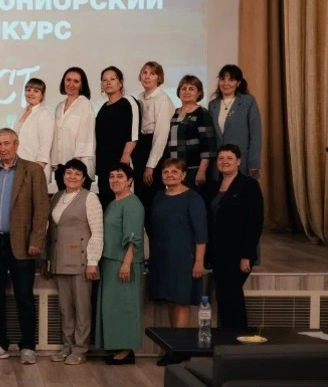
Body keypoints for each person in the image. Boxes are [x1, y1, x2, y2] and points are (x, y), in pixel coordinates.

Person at [0, 128, 49, 365]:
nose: (3, 148)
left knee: (24, 297)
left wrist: (36, 241)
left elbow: (41, 210)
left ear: (16, 144)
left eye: (7, 143)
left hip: (23, 245)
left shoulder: (33, 171)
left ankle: (28, 346)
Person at [44, 159, 103, 365]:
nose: (72, 177)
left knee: (82, 309)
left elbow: (97, 232)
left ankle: (80, 349)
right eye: (69, 173)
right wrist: (47, 259)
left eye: (77, 174)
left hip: (81, 262)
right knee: (65, 309)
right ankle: (67, 346)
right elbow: (51, 231)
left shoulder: (90, 198)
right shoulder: (57, 197)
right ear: (63, 176)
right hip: (59, 261)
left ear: (84, 178)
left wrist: (93, 261)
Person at [207, 144, 263, 329]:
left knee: (233, 296)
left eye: (229, 158)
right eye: (221, 158)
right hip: (219, 252)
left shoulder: (249, 185)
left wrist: (247, 254)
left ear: (238, 161)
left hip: (239, 253)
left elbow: (255, 222)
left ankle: (238, 337)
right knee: (223, 297)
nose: (225, 162)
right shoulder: (214, 186)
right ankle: (226, 338)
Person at [149, 159, 207, 332]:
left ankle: (178, 344)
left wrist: (199, 261)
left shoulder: (193, 198)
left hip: (184, 258)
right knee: (170, 300)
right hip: (162, 257)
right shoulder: (159, 197)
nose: (170, 175)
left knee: (182, 301)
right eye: (166, 172)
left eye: (174, 172)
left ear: (183, 175)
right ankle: (172, 342)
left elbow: (201, 233)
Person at [95, 162, 144, 365]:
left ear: (130, 180)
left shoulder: (132, 204)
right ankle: (117, 346)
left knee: (125, 306)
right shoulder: (113, 203)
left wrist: (126, 263)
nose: (115, 180)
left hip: (123, 262)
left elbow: (133, 237)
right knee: (112, 307)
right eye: (112, 176)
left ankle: (126, 350)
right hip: (109, 261)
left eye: (120, 176)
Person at [134, 61, 175, 229]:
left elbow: (161, 134)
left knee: (153, 198)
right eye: (144, 72)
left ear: (159, 78)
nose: (147, 76)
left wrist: (151, 165)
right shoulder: (139, 98)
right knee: (141, 197)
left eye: (152, 73)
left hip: (155, 149)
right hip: (141, 145)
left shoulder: (162, 99)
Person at [94, 66, 140, 208]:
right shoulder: (103, 107)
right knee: (107, 205)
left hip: (121, 163)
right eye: (104, 80)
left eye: (112, 79)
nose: (108, 82)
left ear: (120, 82)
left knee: (123, 203)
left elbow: (133, 133)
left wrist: (125, 158)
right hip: (104, 167)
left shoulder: (128, 102)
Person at [207, 65, 262, 179]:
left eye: (231, 80)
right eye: (222, 79)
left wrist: (254, 163)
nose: (225, 83)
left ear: (238, 83)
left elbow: (255, 134)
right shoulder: (213, 105)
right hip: (219, 163)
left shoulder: (248, 101)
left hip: (241, 161)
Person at [166, 75, 217, 194]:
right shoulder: (174, 113)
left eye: (191, 89)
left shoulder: (202, 113)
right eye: (183, 88)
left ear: (199, 93)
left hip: (193, 170)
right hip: (174, 170)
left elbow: (208, 146)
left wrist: (201, 171)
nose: (187, 92)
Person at [50, 67, 95, 191]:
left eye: (76, 81)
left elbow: (86, 134)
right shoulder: (59, 107)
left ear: (82, 85)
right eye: (68, 80)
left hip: (79, 166)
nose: (71, 84)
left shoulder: (85, 104)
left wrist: (75, 165)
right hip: (61, 165)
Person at [14, 78, 54, 182]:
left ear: (42, 95)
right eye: (28, 90)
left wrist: (37, 170)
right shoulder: (21, 112)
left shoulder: (44, 114)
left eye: (36, 91)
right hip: (19, 167)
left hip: (35, 169)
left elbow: (45, 146)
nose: (31, 93)